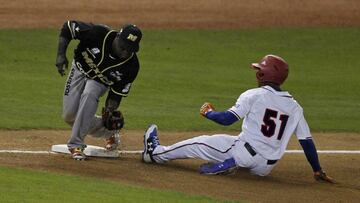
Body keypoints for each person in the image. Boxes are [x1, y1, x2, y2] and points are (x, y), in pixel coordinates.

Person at [141, 54, 335, 183]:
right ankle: (234, 163)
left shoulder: (254, 95)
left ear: (263, 74)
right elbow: (306, 142)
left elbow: (227, 119)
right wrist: (317, 169)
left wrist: (208, 112)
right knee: (235, 144)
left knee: (199, 143)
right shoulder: (294, 107)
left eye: (259, 69)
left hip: (244, 152)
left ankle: (155, 153)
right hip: (266, 167)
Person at [55, 20, 142, 160]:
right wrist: (61, 54)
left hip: (99, 82)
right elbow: (68, 27)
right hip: (78, 69)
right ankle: (109, 133)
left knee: (90, 93)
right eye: (124, 46)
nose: (125, 52)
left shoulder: (131, 67)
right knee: (69, 116)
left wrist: (110, 111)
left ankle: (76, 144)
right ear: (117, 38)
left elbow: (116, 94)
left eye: (130, 49)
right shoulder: (97, 33)